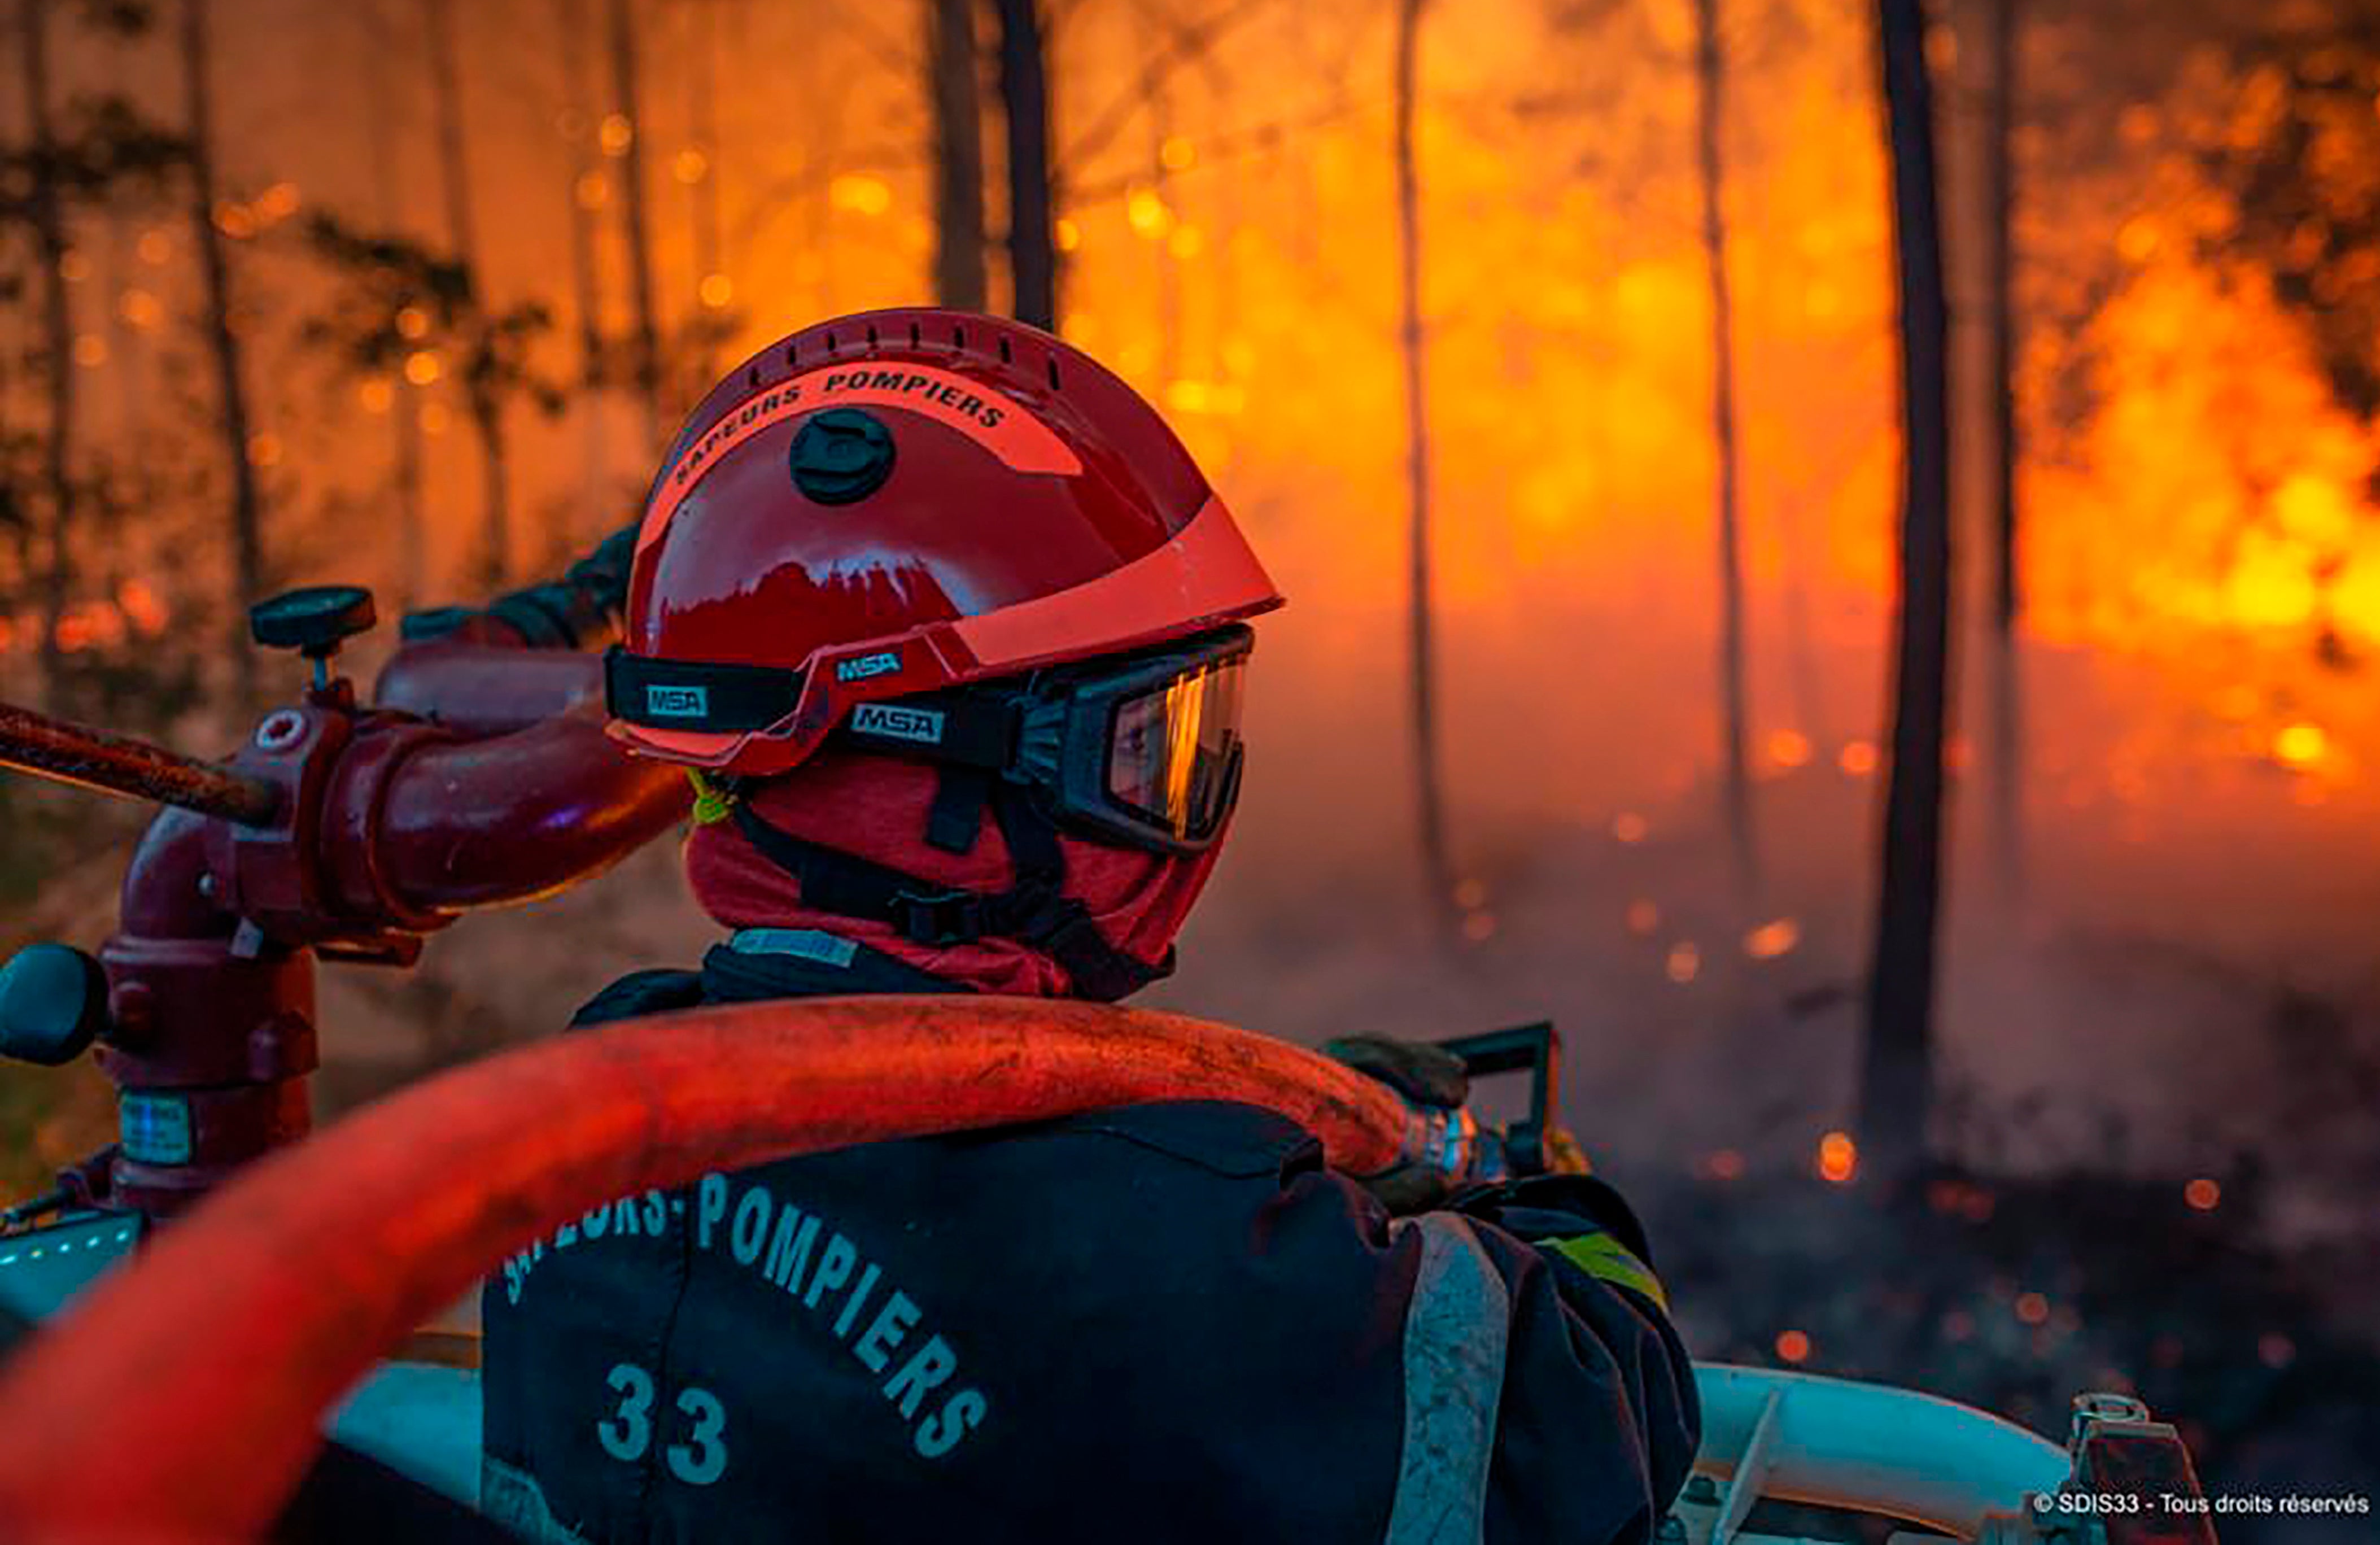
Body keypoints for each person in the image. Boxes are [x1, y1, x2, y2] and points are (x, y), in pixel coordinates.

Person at [478, 308, 1699, 1543]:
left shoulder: (561, 1129)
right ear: (948, 781)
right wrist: (1527, 1190)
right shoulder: (1180, 1242)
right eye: (1150, 747)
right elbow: (1593, 1412)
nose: (1183, 801)